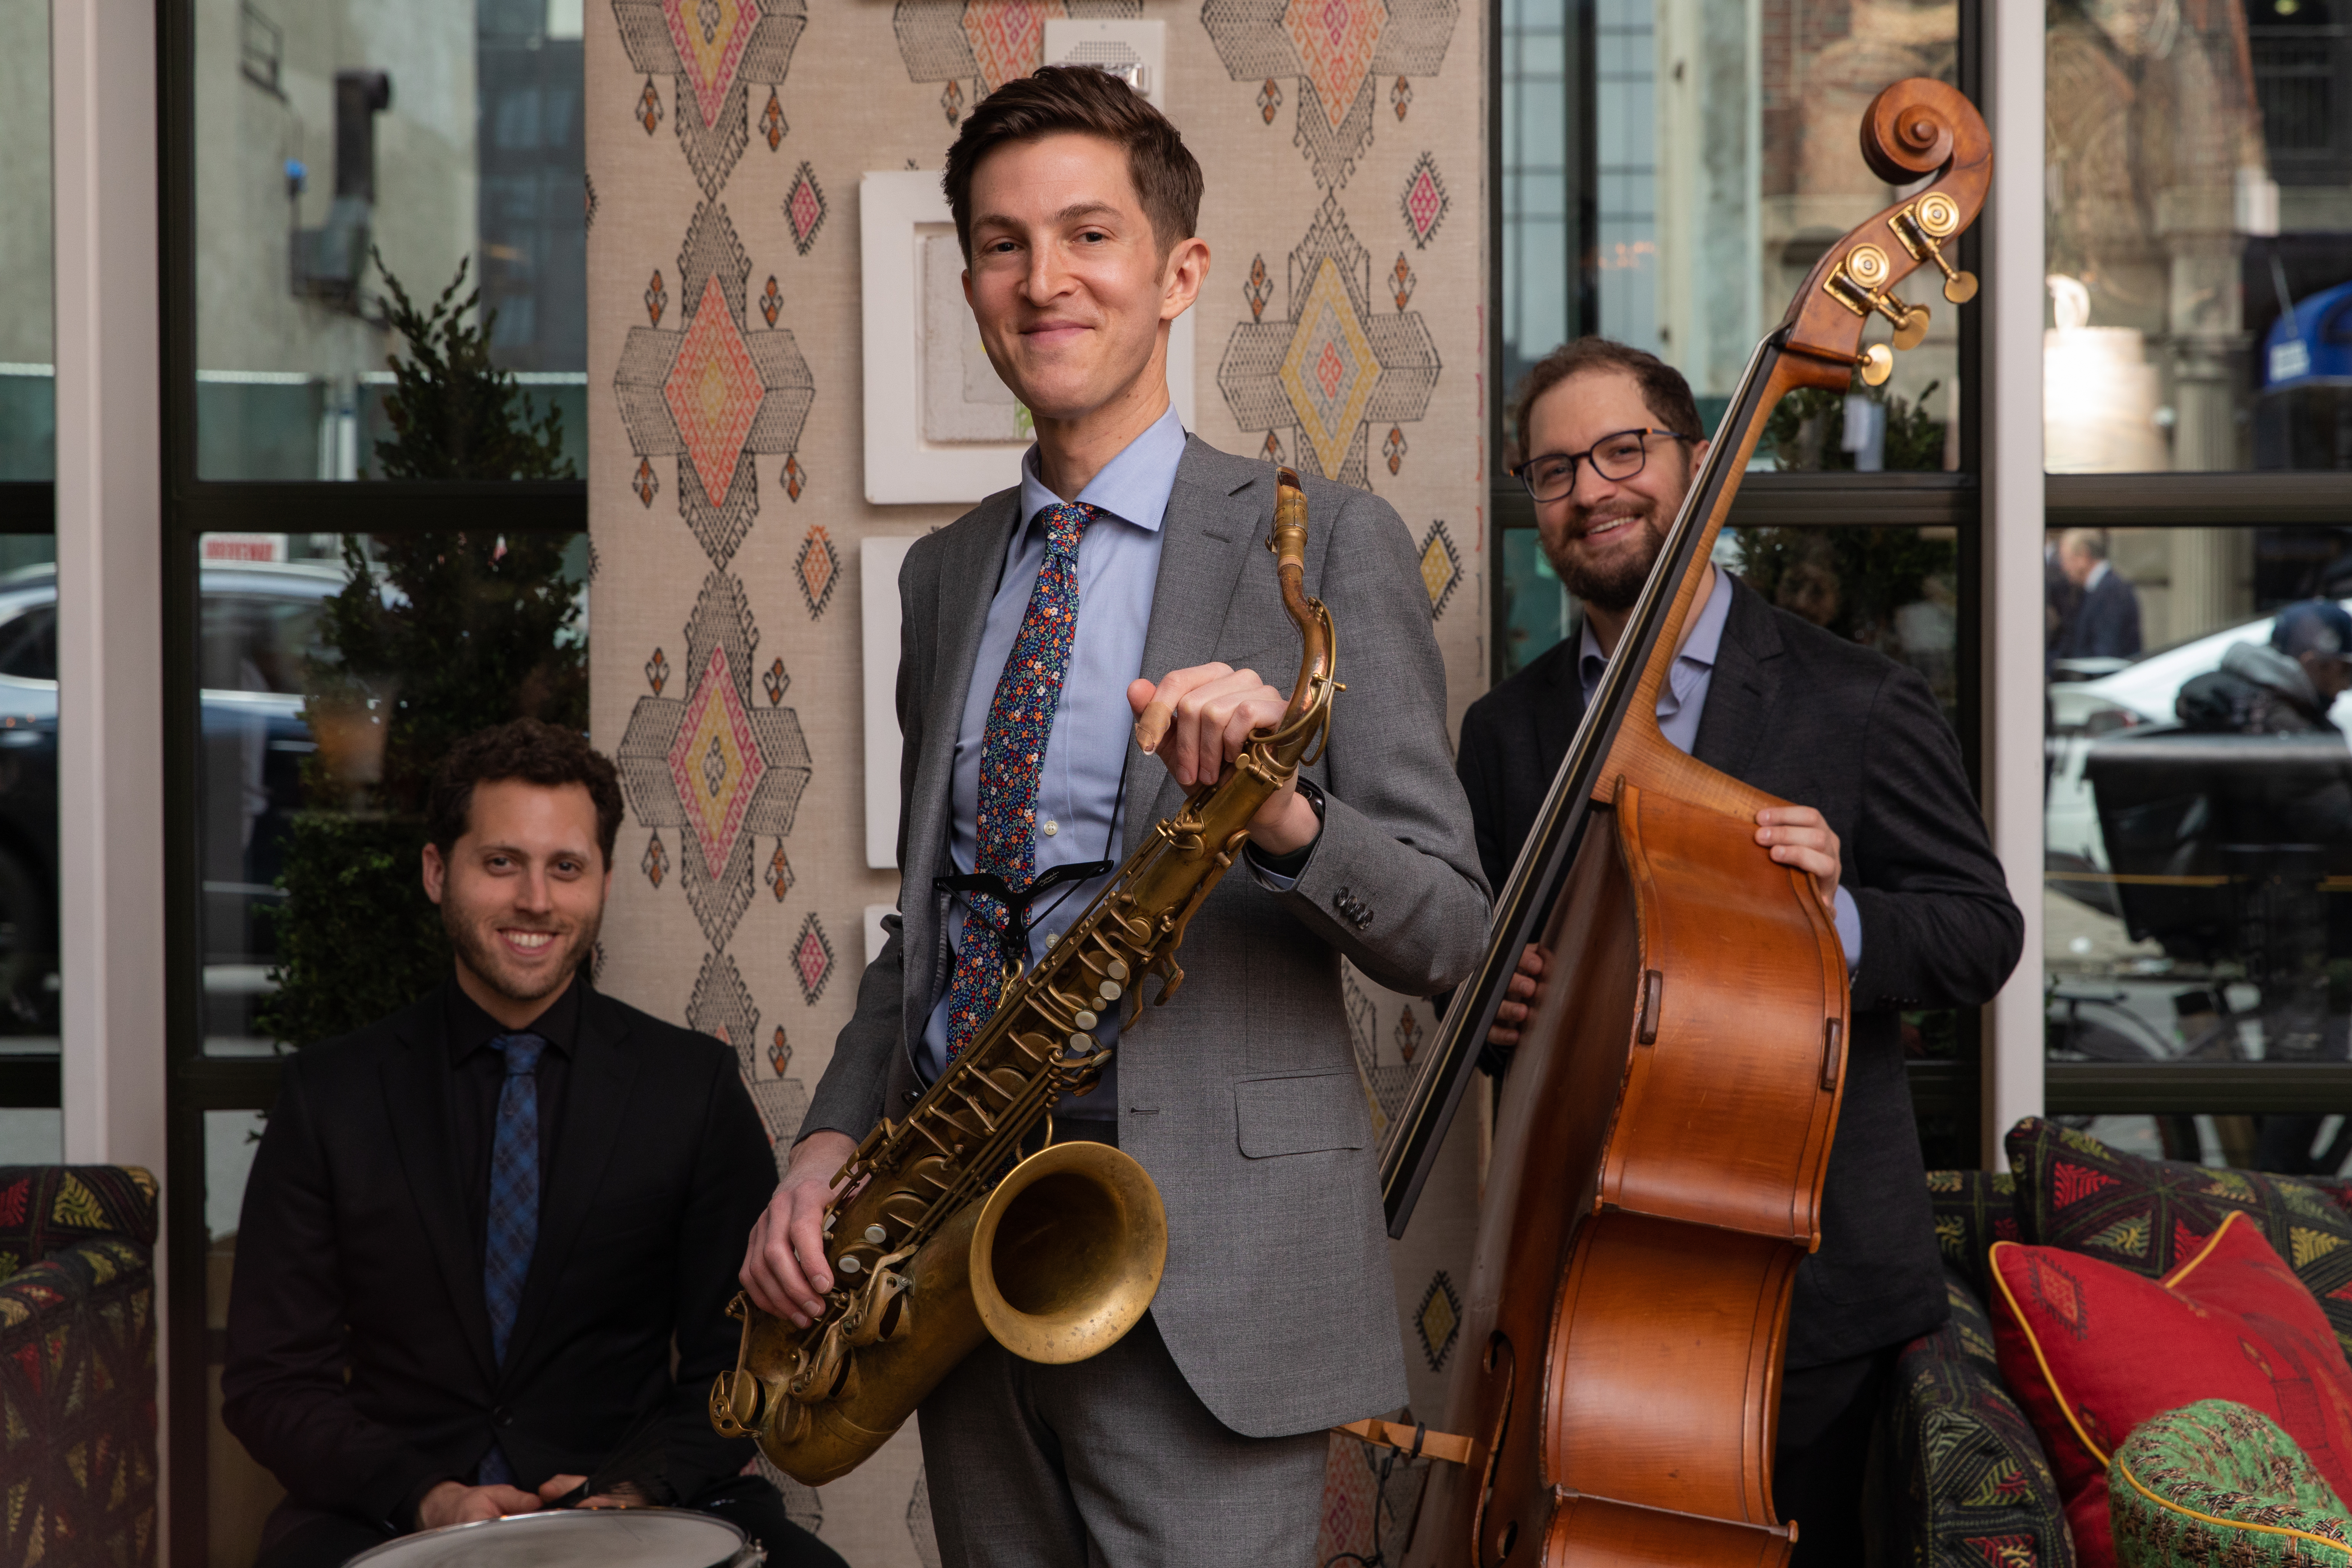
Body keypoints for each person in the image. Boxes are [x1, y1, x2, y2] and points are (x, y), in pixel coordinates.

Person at [738, 67, 1488, 1568]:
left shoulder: (1320, 541)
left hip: (1211, 1271)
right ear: (969, 286)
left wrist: (1280, 818)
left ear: (1176, 271)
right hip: (957, 1247)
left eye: (1087, 234)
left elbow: (1450, 925)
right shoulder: (944, 574)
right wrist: (825, 1144)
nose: (1044, 279)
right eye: (1004, 246)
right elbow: (939, 923)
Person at [1454, 338, 2022, 1564]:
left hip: (1810, 1289)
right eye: (1552, 471)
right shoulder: (1506, 733)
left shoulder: (1854, 699)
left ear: (1698, 463)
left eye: (1622, 450)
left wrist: (1836, 921)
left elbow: (1979, 932)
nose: (1591, 490)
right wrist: (1495, 1001)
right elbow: (1499, 970)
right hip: (1582, 1282)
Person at [223, 720, 844, 1568]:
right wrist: (424, 1493)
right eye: (501, 862)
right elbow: (271, 1382)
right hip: (388, 1510)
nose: (537, 901)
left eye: (566, 868)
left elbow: (743, 1359)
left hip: (639, 1499)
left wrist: (632, 1491)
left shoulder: (691, 1088)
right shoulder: (329, 1095)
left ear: (604, 882)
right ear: (438, 871)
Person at [2174, 600, 2352, 1173]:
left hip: (2298, 909)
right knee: (2308, 1071)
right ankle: (2277, 1203)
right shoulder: (2273, 719)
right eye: (2342, 669)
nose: (2345, 685)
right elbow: (2330, 819)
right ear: (2311, 661)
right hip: (2294, 921)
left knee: (2312, 1061)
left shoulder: (2271, 707)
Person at [2052, 526, 2142, 663]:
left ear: (2084, 556)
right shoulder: (2094, 590)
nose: (2064, 568)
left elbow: (2106, 654)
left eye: (2067, 559)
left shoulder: (2112, 591)